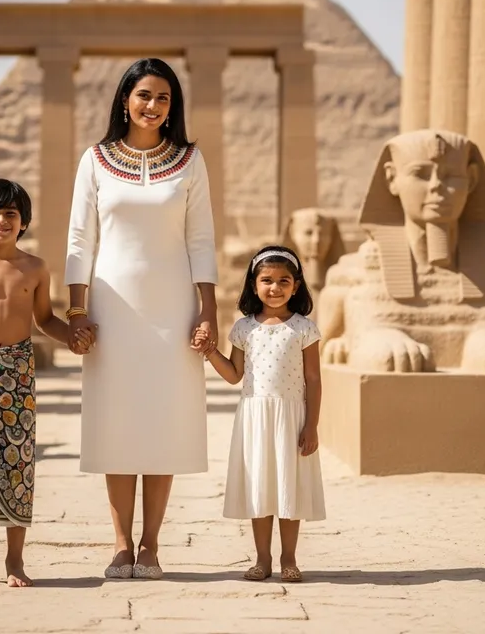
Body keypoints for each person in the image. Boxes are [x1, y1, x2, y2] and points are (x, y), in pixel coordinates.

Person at [66, 58, 218, 580]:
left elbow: (201, 241)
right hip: (112, 308)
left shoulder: (190, 161)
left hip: (172, 307)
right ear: (125, 99)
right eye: (144, 96)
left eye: (164, 99)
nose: (153, 107)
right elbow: (80, 240)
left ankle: (151, 545)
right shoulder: (96, 160)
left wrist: (209, 310)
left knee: (163, 424)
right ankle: (120, 544)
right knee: (117, 425)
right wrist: (78, 310)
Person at [0, 179, 94, 589]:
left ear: (23, 221)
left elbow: (44, 320)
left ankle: (14, 561)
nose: (1, 221)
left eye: (10, 214)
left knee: (18, 465)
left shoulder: (36, 268)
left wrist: (73, 338)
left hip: (18, 374)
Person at [197, 245, 325, 583]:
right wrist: (210, 352)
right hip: (254, 418)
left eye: (284, 280)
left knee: (288, 487)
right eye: (266, 280)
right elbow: (234, 375)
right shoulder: (243, 328)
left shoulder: (304, 328)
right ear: (254, 285)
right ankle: (262, 559)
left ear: (296, 285)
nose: (275, 287)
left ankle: (289, 559)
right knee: (260, 487)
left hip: (291, 418)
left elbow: (313, 378)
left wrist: (311, 425)